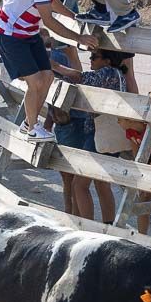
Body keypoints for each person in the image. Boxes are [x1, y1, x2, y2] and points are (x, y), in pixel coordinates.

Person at [0, 0, 97, 142]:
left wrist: (73, 16)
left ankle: (29, 123)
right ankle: (32, 128)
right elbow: (48, 20)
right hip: (11, 34)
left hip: (28, 33)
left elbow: (53, 2)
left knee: (47, 78)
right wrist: (79, 38)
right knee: (36, 81)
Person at [49, 46, 129, 222]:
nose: (91, 59)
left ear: (107, 61)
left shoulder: (109, 72)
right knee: (101, 183)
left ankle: (87, 227)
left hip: (99, 134)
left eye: (95, 57)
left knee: (79, 185)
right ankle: (107, 226)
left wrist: (56, 66)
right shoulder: (117, 75)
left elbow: (81, 78)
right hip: (107, 134)